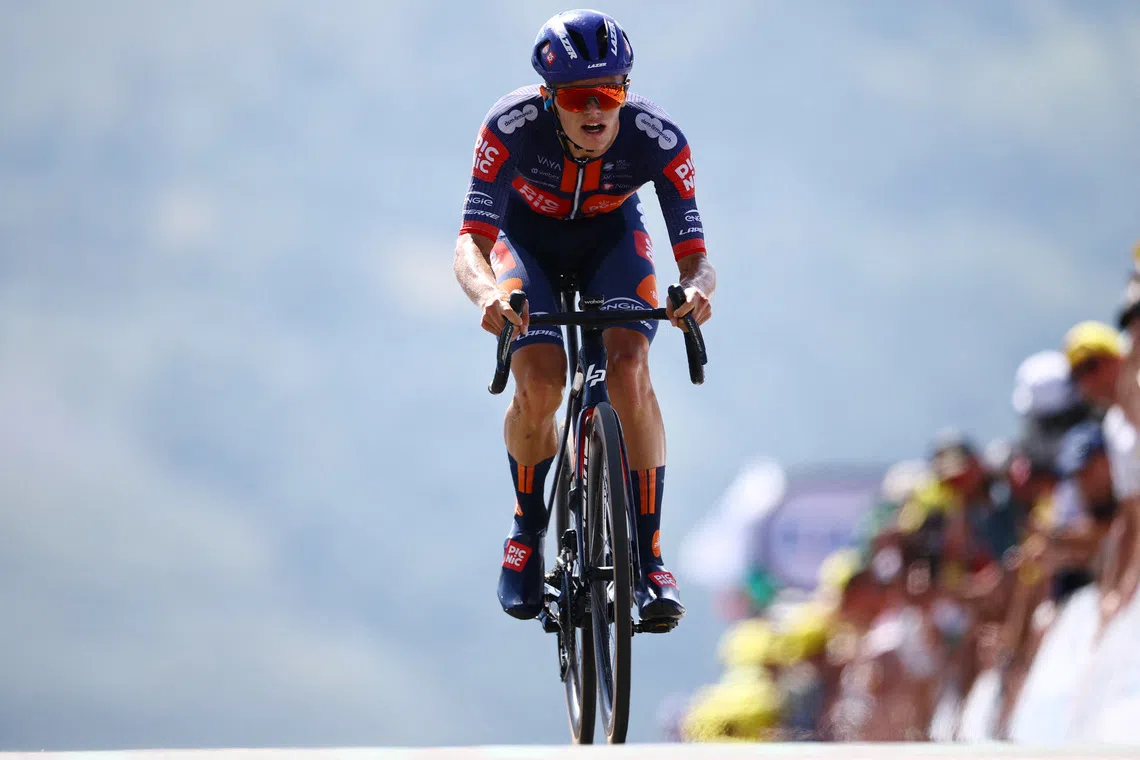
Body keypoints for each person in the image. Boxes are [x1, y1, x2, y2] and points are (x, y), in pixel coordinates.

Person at [452, 10, 717, 623]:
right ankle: (525, 533)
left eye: (610, 93)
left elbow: (697, 257)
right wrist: (487, 296)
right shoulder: (509, 126)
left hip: (612, 244)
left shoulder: (658, 137)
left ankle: (649, 560)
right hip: (526, 246)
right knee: (541, 381)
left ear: (625, 92)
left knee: (629, 369)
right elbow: (470, 240)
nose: (595, 111)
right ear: (550, 99)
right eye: (577, 97)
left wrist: (697, 291)